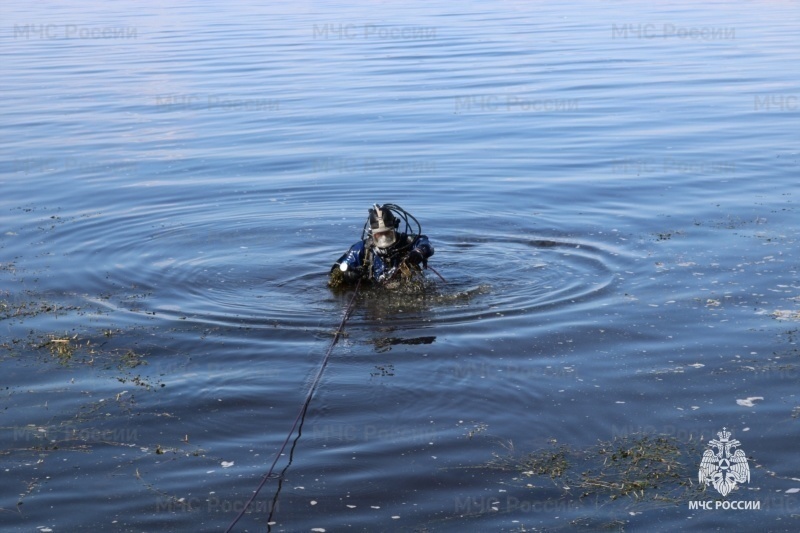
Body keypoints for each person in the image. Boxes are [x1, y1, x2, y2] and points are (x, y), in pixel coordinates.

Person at [329, 203, 434, 287]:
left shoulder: (406, 242)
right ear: (372, 233)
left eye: (388, 234)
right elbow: (336, 270)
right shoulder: (363, 249)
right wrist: (348, 275)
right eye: (379, 235)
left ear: (394, 229)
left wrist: (418, 252)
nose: (384, 239)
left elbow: (427, 244)